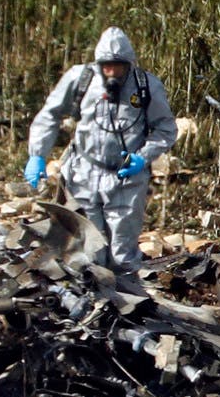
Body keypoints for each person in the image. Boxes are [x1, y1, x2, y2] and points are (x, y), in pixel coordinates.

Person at [24, 27, 177, 287]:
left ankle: (130, 303)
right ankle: (92, 300)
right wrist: (37, 154)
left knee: (123, 253)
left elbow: (166, 129)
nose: (112, 72)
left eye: (117, 66)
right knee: (88, 247)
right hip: (84, 171)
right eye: (106, 66)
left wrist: (142, 157)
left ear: (127, 64)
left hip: (126, 178)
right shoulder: (80, 79)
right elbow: (50, 115)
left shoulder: (145, 86)